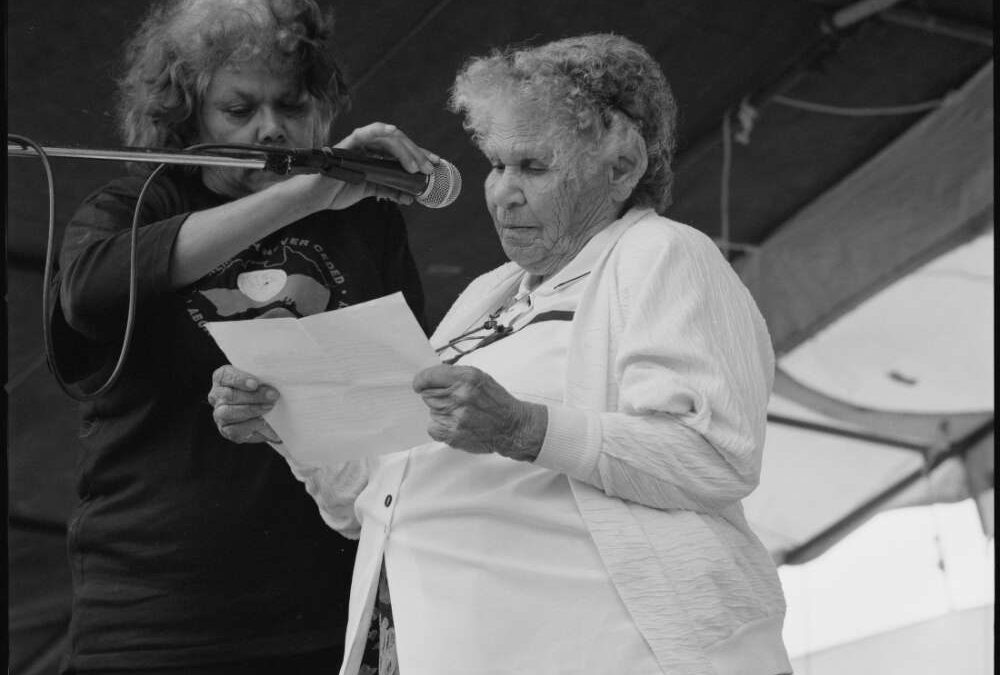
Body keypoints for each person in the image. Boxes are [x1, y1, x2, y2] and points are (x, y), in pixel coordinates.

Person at [210, 33, 792, 675]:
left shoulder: (662, 254)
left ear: (621, 167)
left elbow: (715, 456)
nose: (503, 194)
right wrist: (291, 425)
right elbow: (371, 505)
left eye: (534, 168)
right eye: (496, 165)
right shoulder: (488, 294)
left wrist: (524, 428)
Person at [50, 0, 434, 672]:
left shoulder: (366, 223)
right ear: (188, 112)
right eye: (239, 109)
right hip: (157, 620)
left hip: (329, 609)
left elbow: (405, 395)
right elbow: (90, 291)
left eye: (292, 105)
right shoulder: (134, 206)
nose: (270, 128)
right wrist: (301, 194)